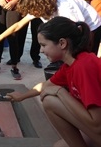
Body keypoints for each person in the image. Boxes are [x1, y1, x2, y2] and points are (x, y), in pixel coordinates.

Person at [6, 16, 101, 147]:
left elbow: (97, 125)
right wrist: (22, 96)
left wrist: (60, 92)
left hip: (97, 126)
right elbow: (45, 85)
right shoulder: (70, 65)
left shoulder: (84, 66)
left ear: (62, 43)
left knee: (50, 100)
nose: (41, 50)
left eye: (44, 45)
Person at [0, 0, 101, 56]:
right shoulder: (38, 9)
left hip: (91, 26)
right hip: (71, 27)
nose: (34, 14)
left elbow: (80, 31)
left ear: (41, 5)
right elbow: (17, 25)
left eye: (34, 10)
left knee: (84, 56)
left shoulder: (65, 7)